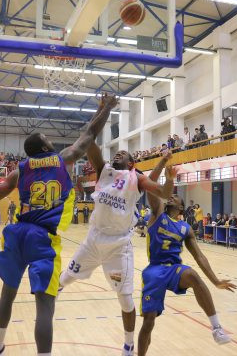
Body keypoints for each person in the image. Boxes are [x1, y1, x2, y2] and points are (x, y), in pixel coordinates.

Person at [0, 93, 117, 356]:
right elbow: (89, 134)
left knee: (8, 294)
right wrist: (107, 108)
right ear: (44, 148)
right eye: (48, 140)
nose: (52, 142)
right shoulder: (63, 159)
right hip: (43, 238)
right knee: (45, 305)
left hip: (18, 234)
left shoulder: (19, 171)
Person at [59, 148, 175, 356]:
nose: (118, 154)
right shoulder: (104, 170)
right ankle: (50, 295)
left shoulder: (136, 179)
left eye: (124, 154)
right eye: (117, 153)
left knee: (125, 299)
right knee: (65, 279)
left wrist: (170, 176)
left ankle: (129, 344)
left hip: (118, 247)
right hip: (93, 240)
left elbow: (164, 193)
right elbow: (91, 141)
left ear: (131, 164)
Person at [138, 189, 236, 356]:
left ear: (181, 207)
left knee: (192, 274)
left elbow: (199, 256)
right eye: (171, 193)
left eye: (175, 196)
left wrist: (215, 281)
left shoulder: (186, 228)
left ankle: (217, 328)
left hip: (173, 269)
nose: (172, 195)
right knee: (149, 322)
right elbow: (153, 190)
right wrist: (162, 172)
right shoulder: (158, 214)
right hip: (154, 269)